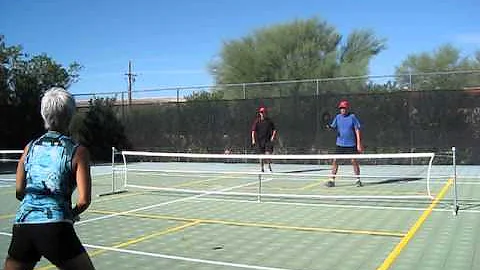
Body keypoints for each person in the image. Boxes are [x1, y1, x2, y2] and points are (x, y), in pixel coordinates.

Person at [4, 87, 95, 270]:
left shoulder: (29, 148)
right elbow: (84, 201)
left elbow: (20, 191)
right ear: (70, 115)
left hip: (23, 225)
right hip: (56, 227)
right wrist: (70, 213)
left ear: (43, 114)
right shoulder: (78, 152)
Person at [325, 100, 363, 187]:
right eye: (341, 108)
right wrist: (329, 127)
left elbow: (357, 130)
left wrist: (358, 144)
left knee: (354, 161)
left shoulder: (352, 117)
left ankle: (358, 180)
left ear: (347, 108)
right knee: (335, 161)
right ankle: (332, 180)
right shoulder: (338, 117)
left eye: (344, 108)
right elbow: (333, 127)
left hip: (351, 144)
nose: (343, 110)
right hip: (340, 144)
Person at [251, 107, 277, 172]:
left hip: (267, 140)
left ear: (266, 113)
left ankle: (268, 166)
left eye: (264, 112)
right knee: (261, 155)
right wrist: (253, 140)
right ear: (260, 113)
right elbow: (253, 131)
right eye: (261, 112)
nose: (262, 113)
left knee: (267, 154)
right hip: (260, 141)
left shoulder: (269, 121)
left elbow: (274, 129)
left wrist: (273, 137)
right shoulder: (257, 121)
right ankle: (262, 168)